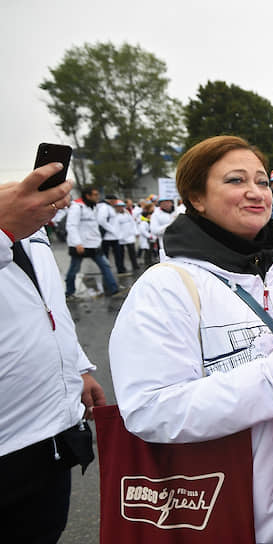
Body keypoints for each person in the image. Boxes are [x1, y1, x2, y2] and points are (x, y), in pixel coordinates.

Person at [109, 136, 273, 544]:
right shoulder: (166, 287)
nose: (255, 192)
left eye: (263, 182)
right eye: (235, 180)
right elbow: (149, 408)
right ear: (196, 197)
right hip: (234, 519)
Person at [0, 163, 106, 543]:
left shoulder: (23, 220)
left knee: (44, 531)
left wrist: (77, 368)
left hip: (48, 433)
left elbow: (47, 306)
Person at [64, 186, 121, 298]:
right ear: (87, 196)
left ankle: (114, 290)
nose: (97, 197)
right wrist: (77, 243)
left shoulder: (94, 207)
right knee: (74, 269)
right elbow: (71, 226)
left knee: (105, 266)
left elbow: (93, 227)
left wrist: (98, 240)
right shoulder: (77, 207)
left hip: (94, 244)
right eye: (95, 195)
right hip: (80, 245)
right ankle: (69, 292)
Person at [98, 194, 123, 272]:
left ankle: (119, 269)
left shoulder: (108, 207)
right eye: (115, 201)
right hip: (107, 236)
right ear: (111, 200)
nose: (116, 203)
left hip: (113, 236)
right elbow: (101, 220)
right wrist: (112, 230)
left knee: (117, 254)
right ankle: (106, 271)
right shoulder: (104, 207)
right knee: (107, 255)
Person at [114, 200, 139, 272]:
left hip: (129, 236)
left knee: (132, 253)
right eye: (118, 207)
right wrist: (119, 236)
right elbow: (115, 228)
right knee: (120, 254)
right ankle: (121, 268)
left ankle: (135, 265)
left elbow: (133, 223)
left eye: (121, 206)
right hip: (120, 238)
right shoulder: (115, 216)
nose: (120, 208)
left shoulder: (127, 214)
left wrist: (136, 232)